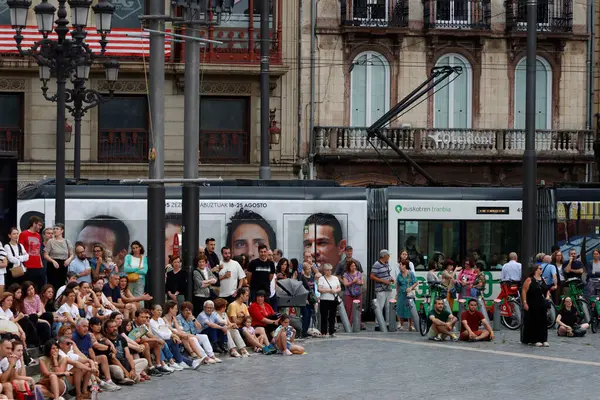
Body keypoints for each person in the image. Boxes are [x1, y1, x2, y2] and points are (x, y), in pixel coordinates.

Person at [521, 264, 550, 347]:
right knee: (534, 321)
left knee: (543, 321)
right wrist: (525, 302)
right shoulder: (529, 280)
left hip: (541, 303)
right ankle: (534, 339)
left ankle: (543, 339)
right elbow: (524, 291)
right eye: (540, 268)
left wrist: (547, 296)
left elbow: (546, 290)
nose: (541, 270)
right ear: (535, 270)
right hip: (533, 303)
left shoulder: (542, 280)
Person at [44, 224, 74, 291]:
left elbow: (72, 254)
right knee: (52, 284)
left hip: (63, 264)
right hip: (53, 265)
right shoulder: (51, 241)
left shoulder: (67, 241)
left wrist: (69, 259)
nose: (55, 230)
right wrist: (53, 261)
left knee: (62, 283)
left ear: (62, 230)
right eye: (54, 229)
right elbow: (45, 255)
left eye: (57, 229)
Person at [19, 216, 44, 290]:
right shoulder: (24, 234)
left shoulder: (38, 235)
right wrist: (23, 264)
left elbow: (38, 250)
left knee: (37, 287)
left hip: (38, 265)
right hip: (28, 265)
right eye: (39, 225)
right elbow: (20, 250)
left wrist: (40, 263)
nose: (40, 227)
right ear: (34, 224)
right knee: (27, 287)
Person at [370, 249, 394, 329]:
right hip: (380, 289)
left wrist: (391, 278)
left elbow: (387, 274)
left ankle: (387, 323)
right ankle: (378, 324)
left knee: (388, 306)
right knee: (380, 306)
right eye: (388, 255)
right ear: (384, 256)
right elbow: (372, 276)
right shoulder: (377, 264)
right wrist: (383, 281)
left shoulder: (386, 264)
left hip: (388, 288)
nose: (389, 256)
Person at [317, 264, 340, 337]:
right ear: (324, 271)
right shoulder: (321, 279)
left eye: (330, 270)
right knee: (324, 316)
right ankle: (323, 332)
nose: (329, 271)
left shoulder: (335, 278)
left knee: (332, 316)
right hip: (324, 299)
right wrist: (329, 290)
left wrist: (335, 291)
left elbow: (339, 288)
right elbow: (319, 289)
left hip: (333, 299)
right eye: (327, 270)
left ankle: (332, 331)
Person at [396, 260, 418, 331]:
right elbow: (398, 285)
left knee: (410, 309)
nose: (400, 267)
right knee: (401, 308)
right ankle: (401, 324)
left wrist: (411, 288)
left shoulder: (410, 273)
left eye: (401, 265)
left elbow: (416, 282)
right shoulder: (399, 274)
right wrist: (397, 294)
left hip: (409, 294)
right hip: (401, 294)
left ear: (405, 265)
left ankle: (410, 325)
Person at [342, 259, 363, 329]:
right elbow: (345, 284)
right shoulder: (346, 274)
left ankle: (358, 324)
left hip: (358, 294)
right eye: (352, 266)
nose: (353, 267)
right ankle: (349, 325)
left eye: (354, 266)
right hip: (349, 294)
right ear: (349, 267)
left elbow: (362, 282)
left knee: (358, 309)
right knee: (349, 309)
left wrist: (357, 282)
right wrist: (353, 282)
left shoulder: (359, 273)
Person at [4, 227, 26, 291]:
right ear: (9, 235)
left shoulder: (20, 245)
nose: (16, 235)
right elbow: (11, 259)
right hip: (12, 271)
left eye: (17, 233)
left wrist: (18, 258)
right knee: (12, 289)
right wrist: (21, 258)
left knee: (21, 288)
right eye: (14, 234)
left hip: (21, 270)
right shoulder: (7, 246)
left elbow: (27, 256)